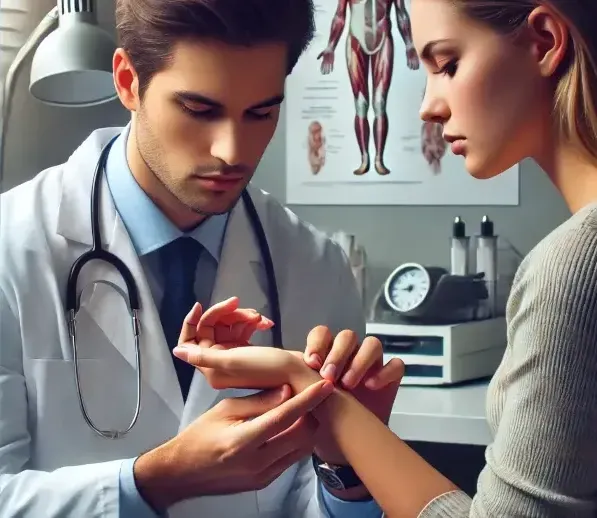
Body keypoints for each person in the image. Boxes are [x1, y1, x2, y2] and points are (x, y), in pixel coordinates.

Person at [174, 0, 597, 516]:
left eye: (447, 65)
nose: (428, 106)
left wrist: (312, 388)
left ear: (544, 43)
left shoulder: (573, 267)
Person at [0, 0, 405, 517]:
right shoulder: (12, 246)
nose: (232, 151)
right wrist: (157, 481)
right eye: (199, 109)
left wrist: (349, 468)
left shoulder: (315, 265)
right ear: (127, 81)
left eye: (262, 112)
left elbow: (308, 500)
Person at [317, 0, 419, 175]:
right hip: (356, 41)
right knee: (361, 104)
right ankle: (364, 158)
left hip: (383, 40)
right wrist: (330, 46)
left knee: (379, 103)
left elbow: (401, 13)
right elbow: (340, 15)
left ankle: (379, 159)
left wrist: (409, 44)